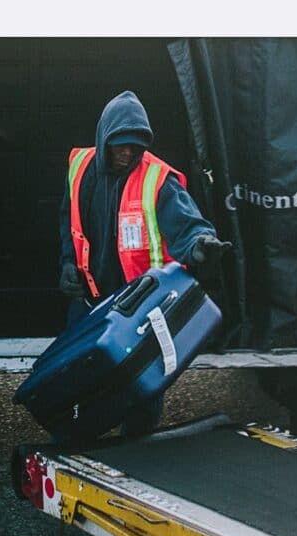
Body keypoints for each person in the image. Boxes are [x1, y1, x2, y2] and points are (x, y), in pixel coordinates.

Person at [57, 90, 230, 442]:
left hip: (140, 312)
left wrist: (200, 246)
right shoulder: (80, 169)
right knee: (75, 384)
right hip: (90, 301)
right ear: (104, 139)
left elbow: (188, 225)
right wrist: (66, 262)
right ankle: (75, 449)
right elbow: (67, 219)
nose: (127, 153)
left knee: (142, 390)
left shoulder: (157, 181)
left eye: (136, 146)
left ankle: (135, 456)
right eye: (120, 145)